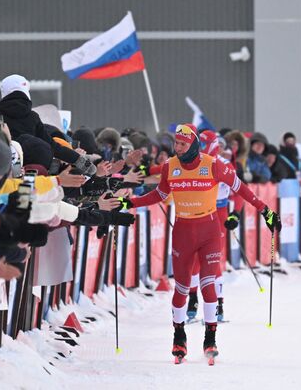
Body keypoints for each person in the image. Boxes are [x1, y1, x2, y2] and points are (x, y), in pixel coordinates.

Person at [120, 124, 281, 362]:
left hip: (209, 231)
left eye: (183, 144)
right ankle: (179, 336)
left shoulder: (213, 165)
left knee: (208, 285)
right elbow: (160, 195)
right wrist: (131, 203)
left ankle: (210, 339)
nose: (178, 148)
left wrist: (266, 211)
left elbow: (241, 189)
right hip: (183, 232)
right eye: (176, 143)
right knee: (182, 288)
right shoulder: (170, 166)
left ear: (194, 144)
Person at [186, 130, 231, 322]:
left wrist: (235, 214)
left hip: (218, 213)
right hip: (196, 213)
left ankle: (219, 304)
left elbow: (238, 191)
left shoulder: (224, 164)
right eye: (200, 144)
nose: (201, 149)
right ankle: (193, 299)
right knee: (195, 257)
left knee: (213, 259)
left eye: (205, 145)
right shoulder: (193, 162)